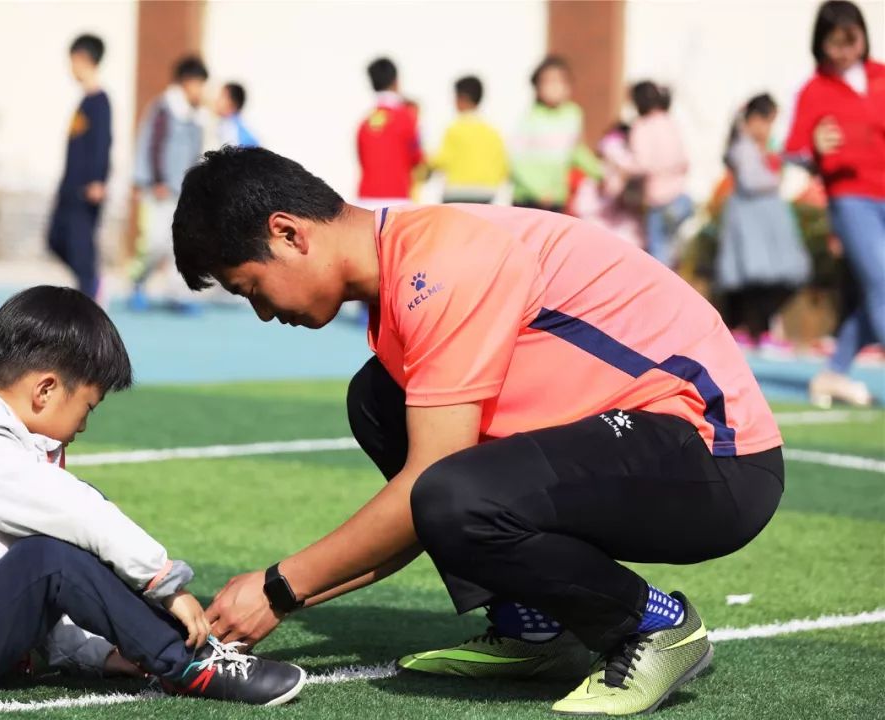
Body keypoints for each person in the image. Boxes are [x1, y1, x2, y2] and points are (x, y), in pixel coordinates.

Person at [171, 147, 785, 716]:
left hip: (715, 458)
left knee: (449, 494)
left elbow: (429, 491)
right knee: (380, 401)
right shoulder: (405, 267)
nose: (262, 311)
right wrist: (289, 591)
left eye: (250, 287)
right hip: (639, 435)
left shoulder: (441, 262)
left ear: (289, 232)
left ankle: (654, 623)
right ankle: (534, 627)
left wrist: (279, 589)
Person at [0, 285, 306, 708]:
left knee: (59, 547)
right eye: (87, 407)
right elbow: (74, 521)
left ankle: (167, 651)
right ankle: (187, 663)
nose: (84, 426)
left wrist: (101, 656)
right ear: (45, 390)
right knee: (58, 549)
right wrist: (166, 584)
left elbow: (26, 572)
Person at [785, 0, 884, 408]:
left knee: (874, 293)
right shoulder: (815, 90)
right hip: (851, 198)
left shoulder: (881, 77)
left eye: (851, 41)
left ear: (863, 37)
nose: (844, 51)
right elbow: (793, 150)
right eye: (834, 44)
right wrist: (814, 148)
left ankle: (833, 373)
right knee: (882, 282)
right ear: (820, 45)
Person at [717, 95, 811, 346]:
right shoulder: (743, 147)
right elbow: (751, 180)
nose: (769, 129)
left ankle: (759, 330)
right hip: (750, 223)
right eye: (767, 121)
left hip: (765, 222)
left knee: (773, 278)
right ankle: (753, 330)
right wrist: (774, 175)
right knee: (754, 279)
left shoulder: (763, 147)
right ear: (755, 120)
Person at [129, 56, 209, 313]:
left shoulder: (197, 116)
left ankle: (179, 294)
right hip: (160, 190)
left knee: (182, 244)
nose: (200, 89)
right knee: (154, 242)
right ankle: (139, 281)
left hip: (183, 192)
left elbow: (197, 153)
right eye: (198, 83)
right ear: (185, 82)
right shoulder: (163, 109)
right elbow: (149, 143)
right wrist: (152, 180)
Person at [47, 35, 111, 300]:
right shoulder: (84, 101)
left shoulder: (99, 101)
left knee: (81, 248)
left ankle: (91, 291)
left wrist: (98, 179)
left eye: (72, 61)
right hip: (69, 187)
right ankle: (92, 282)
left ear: (82, 59)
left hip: (87, 190)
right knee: (54, 239)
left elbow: (102, 142)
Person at [509, 56, 602, 213]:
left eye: (560, 81)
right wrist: (539, 192)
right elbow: (516, 160)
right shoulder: (529, 118)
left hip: (557, 197)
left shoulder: (573, 114)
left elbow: (576, 151)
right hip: (528, 198)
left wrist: (601, 174)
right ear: (537, 87)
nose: (555, 87)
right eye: (548, 81)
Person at [628, 81, 692, 267]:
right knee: (672, 248)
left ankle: (662, 293)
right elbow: (684, 159)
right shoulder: (669, 122)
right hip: (680, 198)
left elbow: (642, 163)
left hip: (658, 200)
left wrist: (621, 167)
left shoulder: (642, 126)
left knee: (657, 254)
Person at [428, 75, 508, 204]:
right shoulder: (492, 131)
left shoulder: (454, 129)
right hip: (486, 193)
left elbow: (441, 160)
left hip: (456, 192)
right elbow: (503, 166)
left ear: (461, 98)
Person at [356, 57, 423, 208]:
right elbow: (417, 157)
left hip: (366, 198)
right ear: (396, 81)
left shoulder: (364, 123)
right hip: (397, 198)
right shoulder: (407, 118)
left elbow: (361, 159)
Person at [215, 82, 259, 149]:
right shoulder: (224, 124)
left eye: (222, 96)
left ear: (233, 102)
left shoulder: (233, 130)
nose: (217, 100)